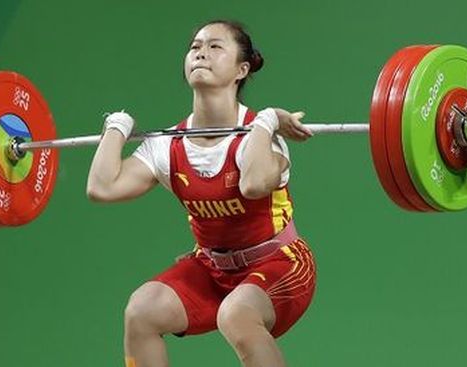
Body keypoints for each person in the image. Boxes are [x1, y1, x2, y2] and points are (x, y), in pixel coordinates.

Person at [86, 19, 317, 367]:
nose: (201, 54)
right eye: (195, 46)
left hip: (280, 264)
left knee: (235, 315)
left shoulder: (263, 139)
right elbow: (101, 187)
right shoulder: (167, 146)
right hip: (212, 270)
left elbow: (252, 185)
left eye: (215, 46)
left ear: (242, 69)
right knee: (142, 310)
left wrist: (265, 121)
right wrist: (116, 127)